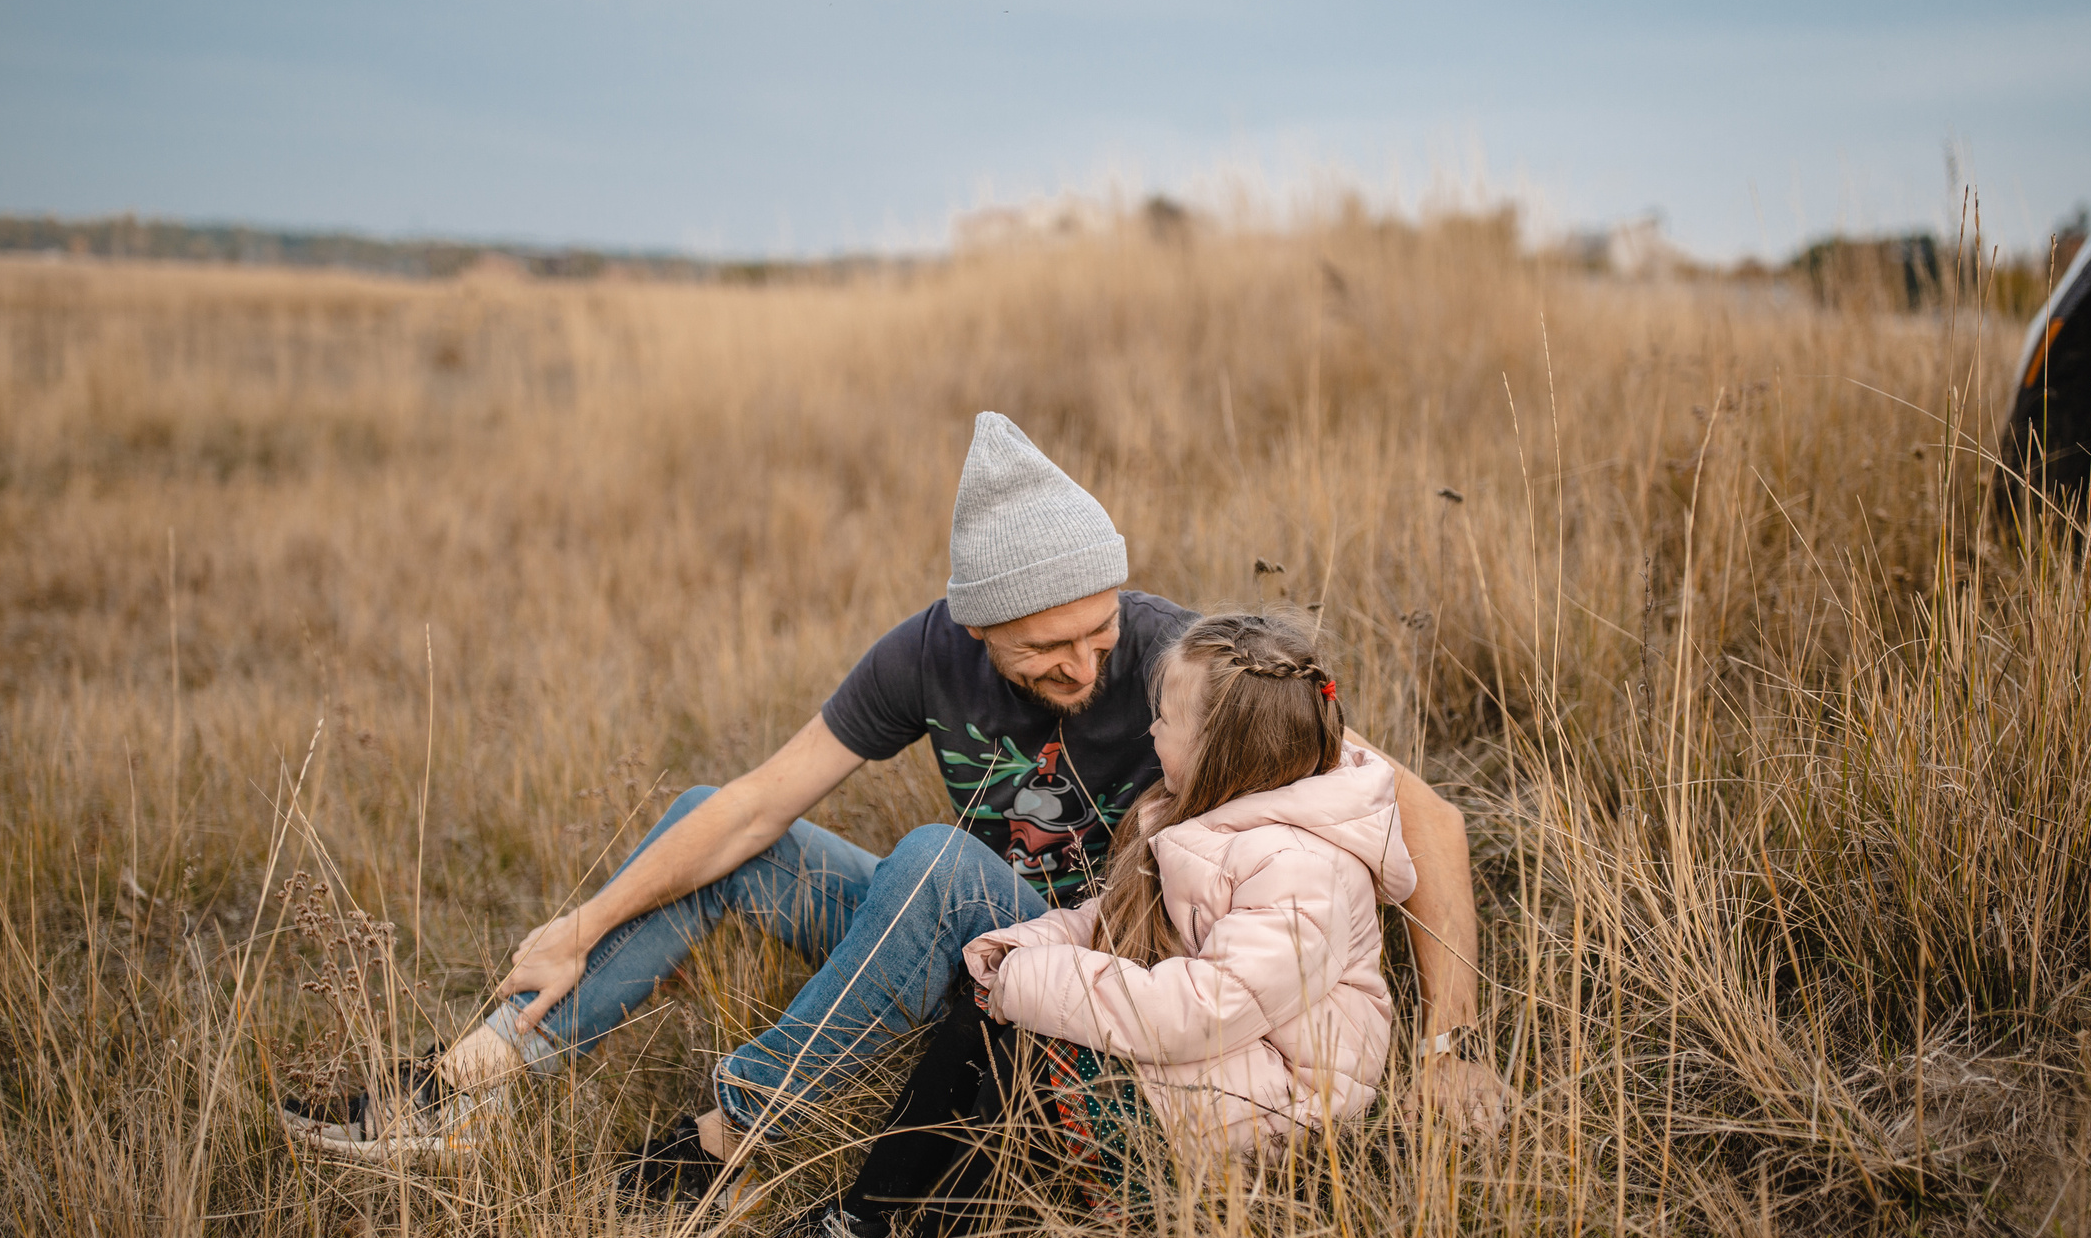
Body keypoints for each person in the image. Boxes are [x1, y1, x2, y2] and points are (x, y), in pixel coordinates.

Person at [283, 412, 1503, 1173]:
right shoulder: (925, 655)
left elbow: (1421, 815)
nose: (1083, 666)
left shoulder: (1181, 661)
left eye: (1096, 632)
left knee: (937, 858)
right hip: (966, 941)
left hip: (1096, 993)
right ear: (977, 632)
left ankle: (734, 1135)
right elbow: (762, 803)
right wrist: (580, 922)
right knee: (711, 817)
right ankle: (462, 1089)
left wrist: (1448, 1048)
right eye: (1044, 651)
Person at [779, 611, 1413, 1238]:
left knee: (1031, 1053)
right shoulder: (1207, 814)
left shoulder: (1301, 869)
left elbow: (1201, 1008)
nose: (1150, 731)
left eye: (1165, 719)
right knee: (997, 1001)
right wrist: (1026, 947)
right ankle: (867, 1223)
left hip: (1273, 1112)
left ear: (1221, 748)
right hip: (1219, 1060)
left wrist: (1038, 981)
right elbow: (1106, 916)